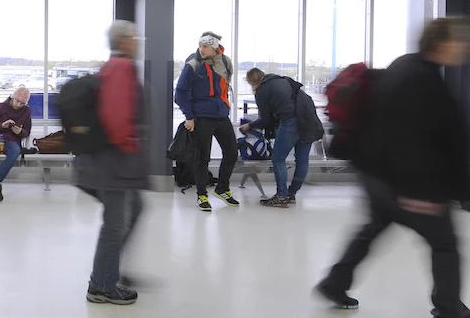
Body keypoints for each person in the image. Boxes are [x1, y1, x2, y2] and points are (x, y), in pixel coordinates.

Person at [316, 17, 470, 317]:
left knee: (372, 228)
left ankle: (335, 282)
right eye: (459, 41)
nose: (463, 47)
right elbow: (413, 140)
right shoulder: (422, 81)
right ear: (442, 43)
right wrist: (420, 191)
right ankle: (449, 307)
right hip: (408, 184)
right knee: (445, 243)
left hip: (376, 175)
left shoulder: (404, 66)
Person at [75, 20, 148, 306]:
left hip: (113, 161)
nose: (138, 40)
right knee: (115, 224)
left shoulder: (113, 66)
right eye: (134, 36)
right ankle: (102, 285)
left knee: (133, 211)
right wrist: (128, 144)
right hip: (116, 162)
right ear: (123, 40)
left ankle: (109, 272)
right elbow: (116, 116)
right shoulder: (121, 68)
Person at [174, 31, 240, 211]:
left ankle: (222, 189)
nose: (201, 49)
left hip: (221, 115)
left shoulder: (225, 62)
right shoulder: (193, 65)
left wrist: (225, 105)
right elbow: (179, 93)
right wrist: (189, 117)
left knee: (232, 153)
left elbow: (225, 87)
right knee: (202, 157)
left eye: (206, 46)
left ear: (215, 47)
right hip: (201, 117)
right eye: (200, 45)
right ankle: (201, 194)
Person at [241, 68, 322, 207]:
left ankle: (281, 196)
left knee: (278, 159)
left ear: (251, 82)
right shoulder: (282, 80)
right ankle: (291, 194)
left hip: (291, 122)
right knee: (302, 160)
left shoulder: (261, 91)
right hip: (309, 120)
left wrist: (249, 126)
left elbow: (265, 120)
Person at [0, 87, 32, 202]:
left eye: (22, 103)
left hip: (12, 139)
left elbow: (27, 131)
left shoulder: (26, 111)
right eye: (17, 101)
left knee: (15, 152)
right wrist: (1, 125)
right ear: (12, 97)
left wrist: (20, 132)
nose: (19, 104)